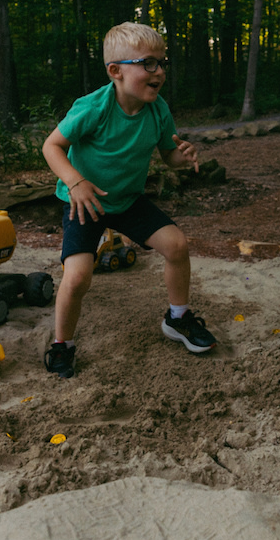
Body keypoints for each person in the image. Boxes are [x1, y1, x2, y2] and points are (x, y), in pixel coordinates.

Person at [40, 22, 217, 378]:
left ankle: (177, 318)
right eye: (148, 64)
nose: (160, 72)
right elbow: (51, 145)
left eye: (162, 63)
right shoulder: (93, 108)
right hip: (84, 204)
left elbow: (169, 155)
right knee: (78, 278)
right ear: (116, 71)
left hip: (127, 200)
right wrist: (76, 182)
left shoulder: (158, 110)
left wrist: (182, 157)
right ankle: (62, 345)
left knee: (177, 246)